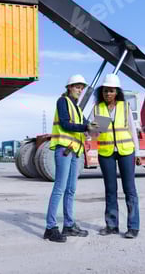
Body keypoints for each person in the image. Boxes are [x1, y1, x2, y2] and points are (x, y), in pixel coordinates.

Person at [43, 74, 99, 243]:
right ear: (69, 87)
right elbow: (65, 124)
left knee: (71, 189)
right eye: (77, 87)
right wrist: (85, 126)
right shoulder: (63, 102)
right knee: (60, 188)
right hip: (64, 150)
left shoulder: (77, 107)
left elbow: (84, 126)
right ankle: (50, 228)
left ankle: (68, 225)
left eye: (81, 88)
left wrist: (93, 128)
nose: (79, 90)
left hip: (76, 151)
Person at [91, 74, 140, 239]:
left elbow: (132, 130)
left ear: (117, 92)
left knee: (130, 190)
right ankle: (111, 226)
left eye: (111, 91)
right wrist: (90, 130)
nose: (108, 94)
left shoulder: (124, 107)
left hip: (126, 151)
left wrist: (138, 152)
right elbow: (97, 133)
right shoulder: (98, 109)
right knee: (110, 190)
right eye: (105, 91)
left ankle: (133, 227)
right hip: (106, 153)